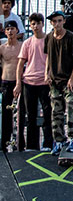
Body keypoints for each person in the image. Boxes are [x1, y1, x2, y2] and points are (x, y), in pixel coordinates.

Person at [44, 11, 73, 156]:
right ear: (51, 23)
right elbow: (48, 56)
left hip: (68, 79)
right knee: (56, 111)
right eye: (54, 21)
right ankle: (59, 140)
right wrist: (46, 72)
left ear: (64, 21)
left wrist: (72, 78)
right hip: (55, 80)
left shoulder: (71, 37)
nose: (57, 24)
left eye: (59, 21)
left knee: (71, 106)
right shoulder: (48, 38)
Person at [15, 13, 52, 151]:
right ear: (30, 26)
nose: (36, 26)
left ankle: (48, 143)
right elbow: (20, 64)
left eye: (38, 23)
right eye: (33, 24)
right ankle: (31, 145)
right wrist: (18, 83)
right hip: (29, 82)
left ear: (43, 24)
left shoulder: (49, 40)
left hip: (45, 82)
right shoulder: (27, 42)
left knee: (48, 114)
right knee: (30, 115)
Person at [0, 21, 23, 150]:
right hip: (5, 83)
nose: (10, 31)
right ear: (5, 31)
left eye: (12, 29)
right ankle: (5, 144)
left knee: (19, 114)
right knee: (6, 114)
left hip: (19, 82)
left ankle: (20, 144)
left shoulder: (22, 46)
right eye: (8, 29)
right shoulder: (2, 48)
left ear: (17, 30)